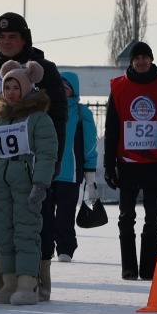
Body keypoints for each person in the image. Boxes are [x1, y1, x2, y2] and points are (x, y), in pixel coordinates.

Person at [0, 13, 68, 296]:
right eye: (1, 37)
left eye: (13, 37)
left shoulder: (45, 69)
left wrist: (50, 164)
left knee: (35, 223)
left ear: (24, 39)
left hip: (31, 167)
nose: (6, 42)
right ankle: (3, 281)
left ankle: (37, 280)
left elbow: (57, 118)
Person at [0, 61, 59, 306]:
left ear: (28, 87)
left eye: (15, 87)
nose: (10, 92)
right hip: (0, 183)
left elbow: (47, 153)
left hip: (26, 181)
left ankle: (27, 285)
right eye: (6, 86)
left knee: (26, 232)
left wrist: (40, 184)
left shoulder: (39, 119)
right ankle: (8, 284)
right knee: (4, 234)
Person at [103, 41, 157, 281]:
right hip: (127, 163)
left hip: (155, 164)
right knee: (126, 217)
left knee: (153, 218)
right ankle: (129, 267)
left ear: (151, 59)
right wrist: (109, 165)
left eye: (145, 57)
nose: (140, 61)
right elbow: (111, 129)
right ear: (131, 61)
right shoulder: (118, 87)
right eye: (136, 57)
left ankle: (148, 268)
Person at [49, 71, 99, 269]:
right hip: (47, 171)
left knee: (65, 214)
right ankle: (46, 247)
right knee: (44, 214)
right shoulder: (46, 109)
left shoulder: (81, 113)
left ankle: (65, 249)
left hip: (70, 174)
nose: (61, 91)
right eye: (58, 87)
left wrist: (90, 169)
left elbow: (90, 143)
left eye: (66, 88)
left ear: (73, 90)